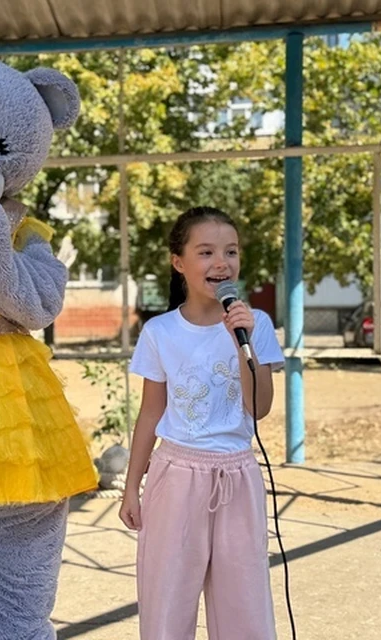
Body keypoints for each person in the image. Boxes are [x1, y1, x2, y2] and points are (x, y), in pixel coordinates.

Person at [119, 206, 284, 640]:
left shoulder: (256, 325)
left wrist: (241, 341)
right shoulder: (160, 331)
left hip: (238, 475)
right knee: (168, 598)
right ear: (179, 262)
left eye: (231, 251)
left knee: (244, 602)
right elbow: (150, 413)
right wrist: (132, 486)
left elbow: (259, 407)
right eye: (206, 252)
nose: (221, 263)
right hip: (176, 476)